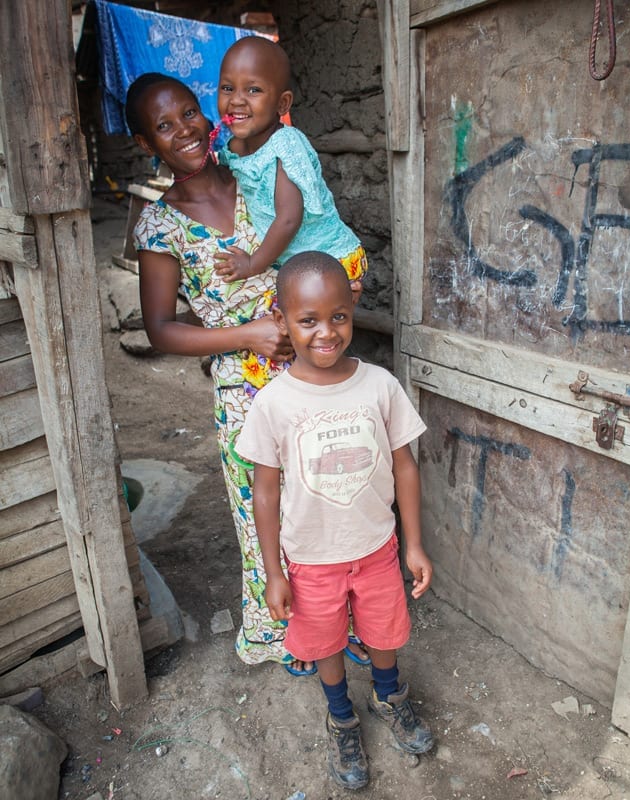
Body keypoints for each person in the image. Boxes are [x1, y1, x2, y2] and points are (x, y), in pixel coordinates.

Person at [126, 71, 318, 675]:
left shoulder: (255, 173)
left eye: (188, 113)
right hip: (244, 384)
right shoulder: (159, 227)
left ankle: (340, 612)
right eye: (164, 125)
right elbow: (160, 328)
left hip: (315, 359)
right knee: (260, 506)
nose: (183, 129)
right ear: (145, 143)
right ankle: (281, 632)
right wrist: (247, 336)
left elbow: (308, 235)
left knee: (325, 492)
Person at [235, 252, 435, 790]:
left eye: (339, 317)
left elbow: (404, 466)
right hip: (311, 560)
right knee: (323, 641)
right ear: (281, 321)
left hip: (375, 548)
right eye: (308, 320)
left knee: (385, 631)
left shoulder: (379, 386)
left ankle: (389, 694)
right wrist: (274, 572)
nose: (326, 332)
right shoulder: (273, 403)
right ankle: (340, 714)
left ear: (352, 311)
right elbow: (265, 491)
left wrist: (413, 544)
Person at [213, 36, 368, 293]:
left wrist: (252, 264)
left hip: (331, 261)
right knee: (299, 329)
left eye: (253, 90)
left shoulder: (285, 144)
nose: (237, 100)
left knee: (316, 331)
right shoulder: (233, 148)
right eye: (227, 88)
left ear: (282, 103)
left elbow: (288, 218)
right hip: (298, 266)